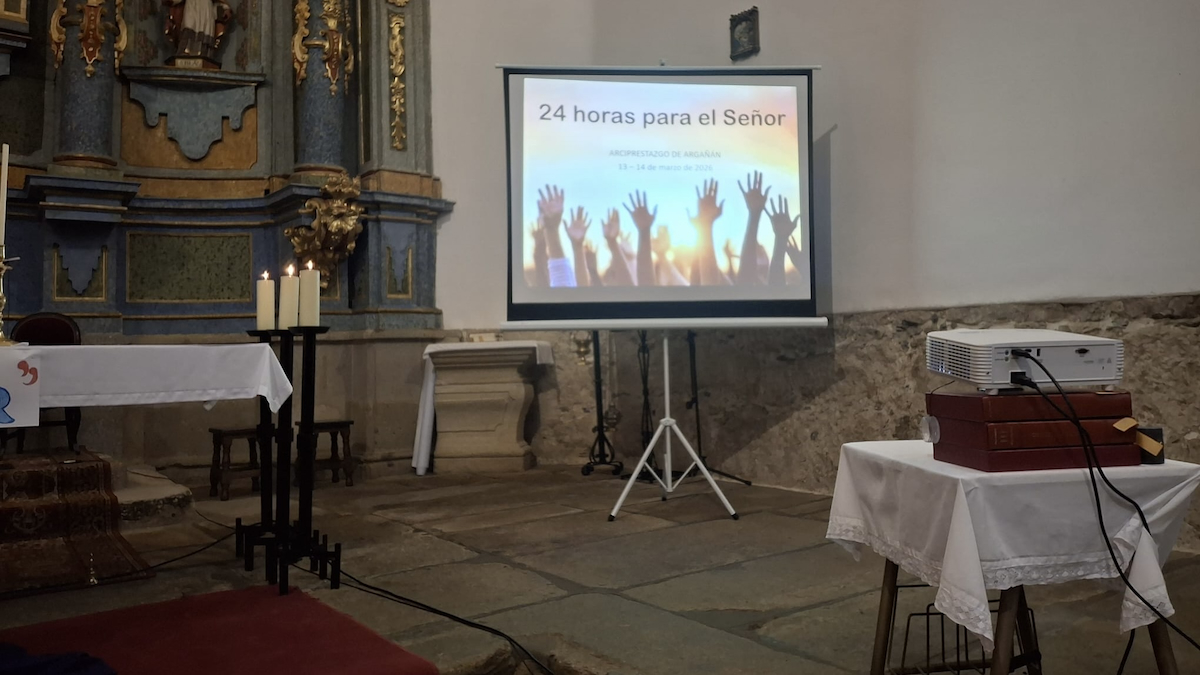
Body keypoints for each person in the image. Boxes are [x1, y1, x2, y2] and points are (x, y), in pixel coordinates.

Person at [165, 0, 232, 62]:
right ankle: (185, 52)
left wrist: (226, 8)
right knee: (188, 26)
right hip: (191, 6)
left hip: (206, 8)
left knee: (205, 29)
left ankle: (204, 54)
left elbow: (221, 1)